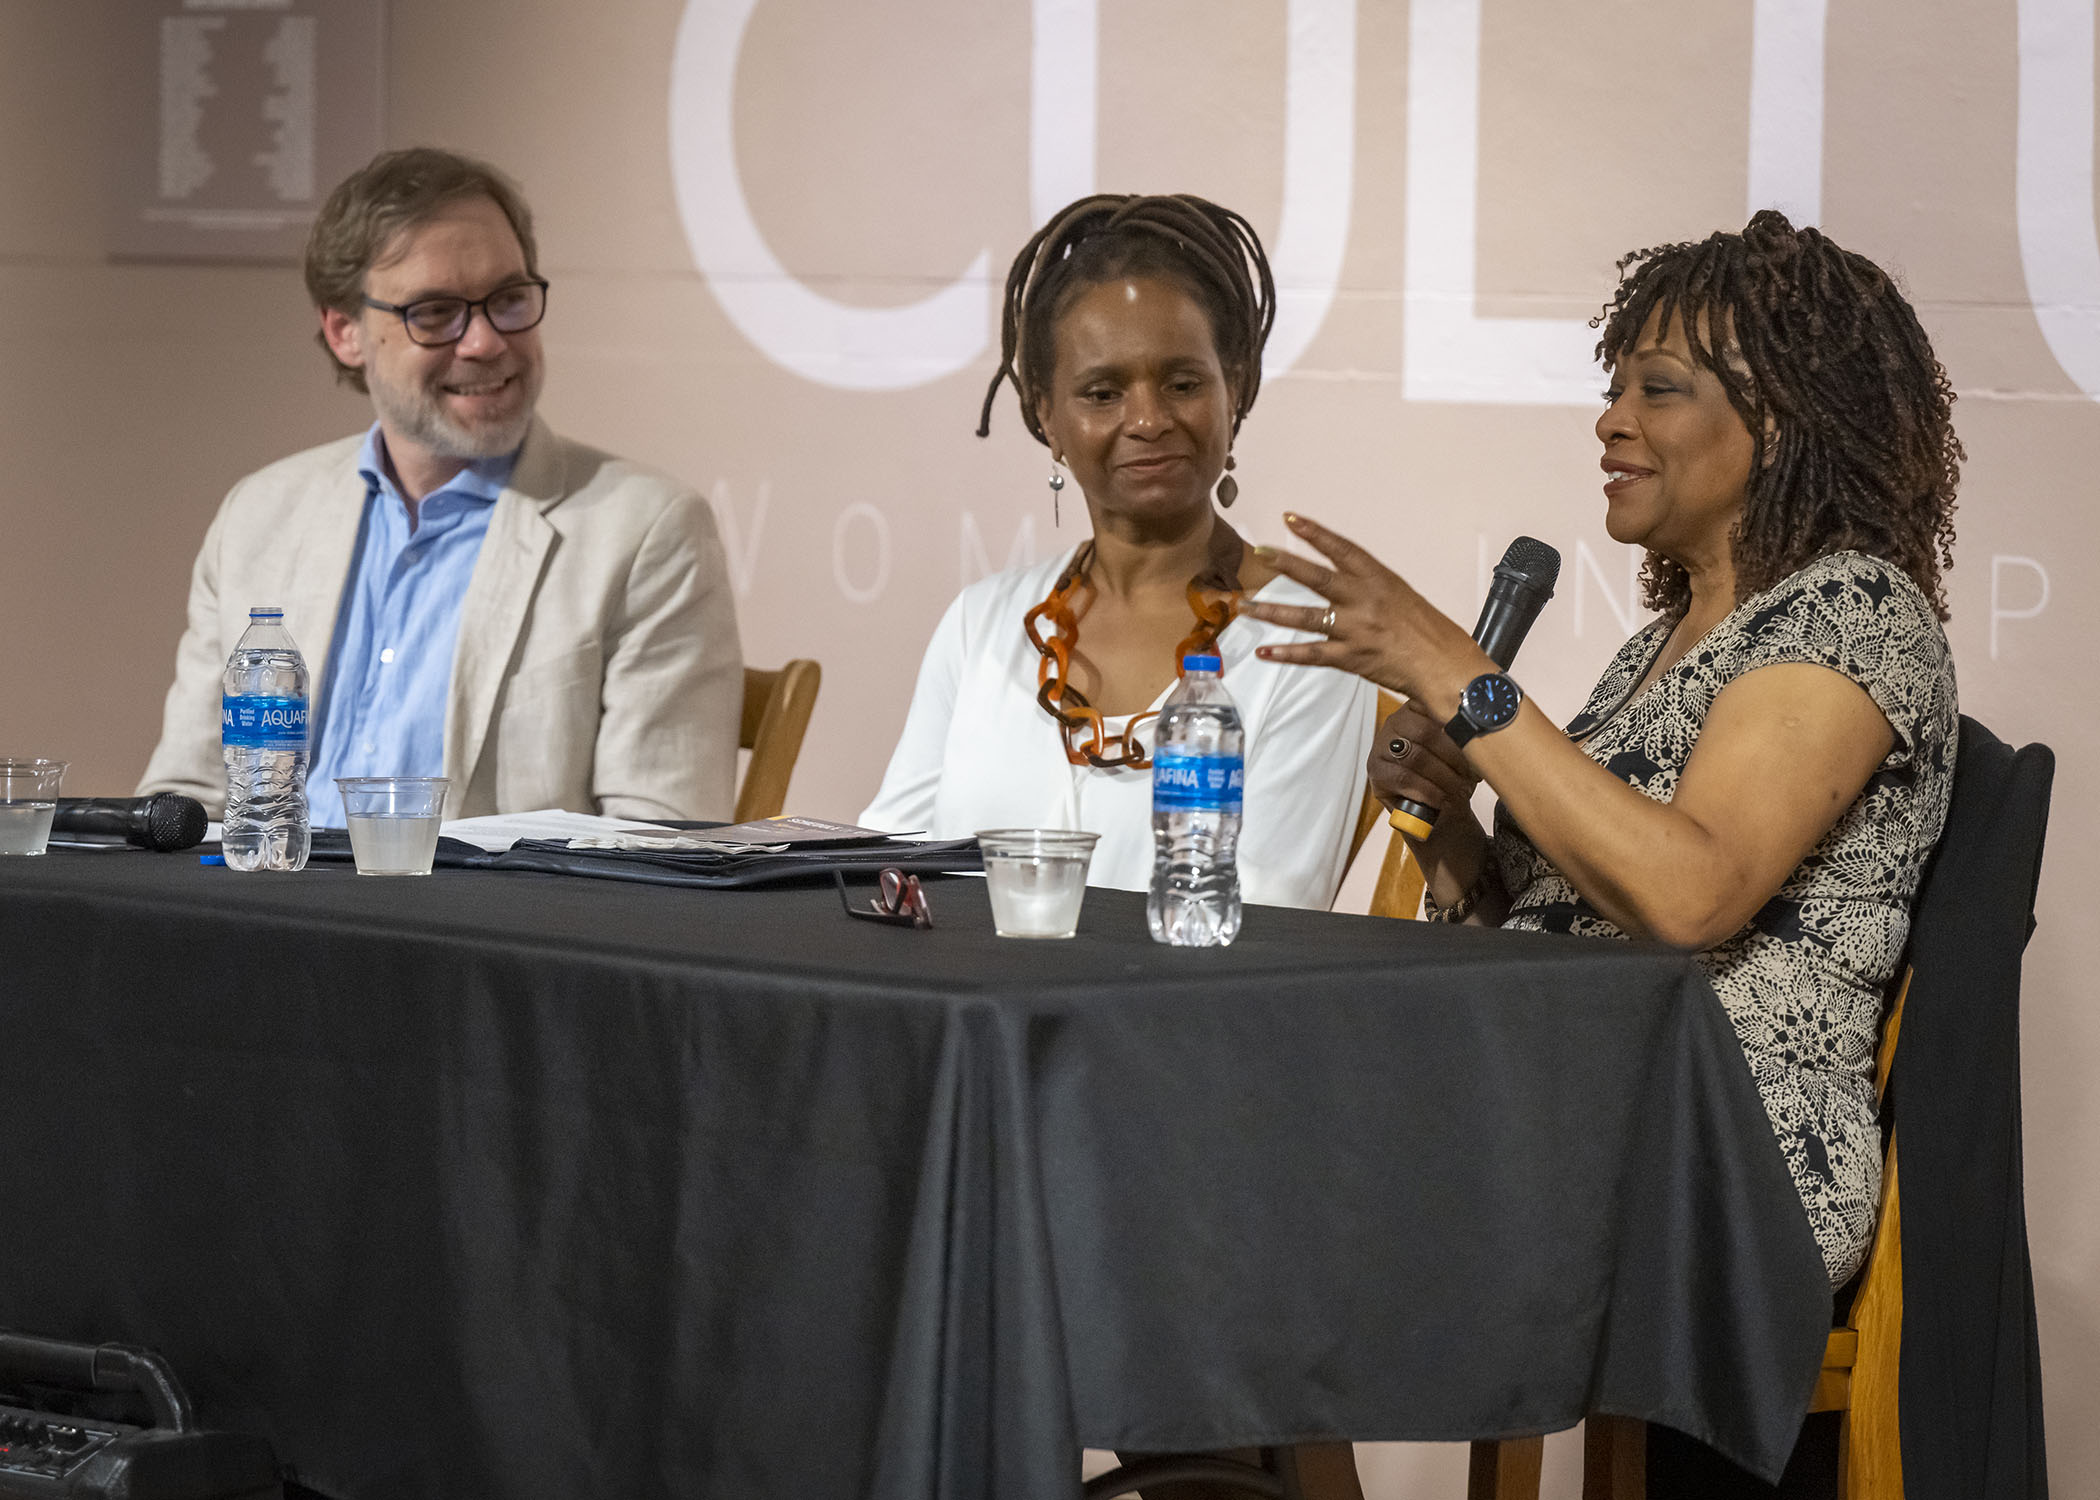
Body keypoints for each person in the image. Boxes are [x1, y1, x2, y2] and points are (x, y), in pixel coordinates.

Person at [1244, 210, 1960, 1297]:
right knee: (1222, 1149)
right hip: (1566, 1099)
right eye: (1614, 388)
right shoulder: (1658, 651)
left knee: (1248, 1184)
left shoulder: (1853, 611)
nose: (1611, 421)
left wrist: (1455, 672)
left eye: (1657, 390)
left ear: (1782, 419)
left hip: (1722, 1153)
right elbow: (1549, 937)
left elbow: (1690, 896)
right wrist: (1450, 839)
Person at [139, 148, 742, 826]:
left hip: (487, 901)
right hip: (267, 894)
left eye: (508, 300)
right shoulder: (260, 517)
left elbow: (658, 840)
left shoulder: (644, 532)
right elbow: (186, 801)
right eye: (435, 313)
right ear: (345, 333)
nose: (485, 342)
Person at [861, 194, 1375, 910]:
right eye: (1102, 393)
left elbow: (1268, 915)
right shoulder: (980, 623)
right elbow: (886, 869)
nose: (1147, 420)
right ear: (1046, 414)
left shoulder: (1308, 640)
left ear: (1234, 387)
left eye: (1183, 384)